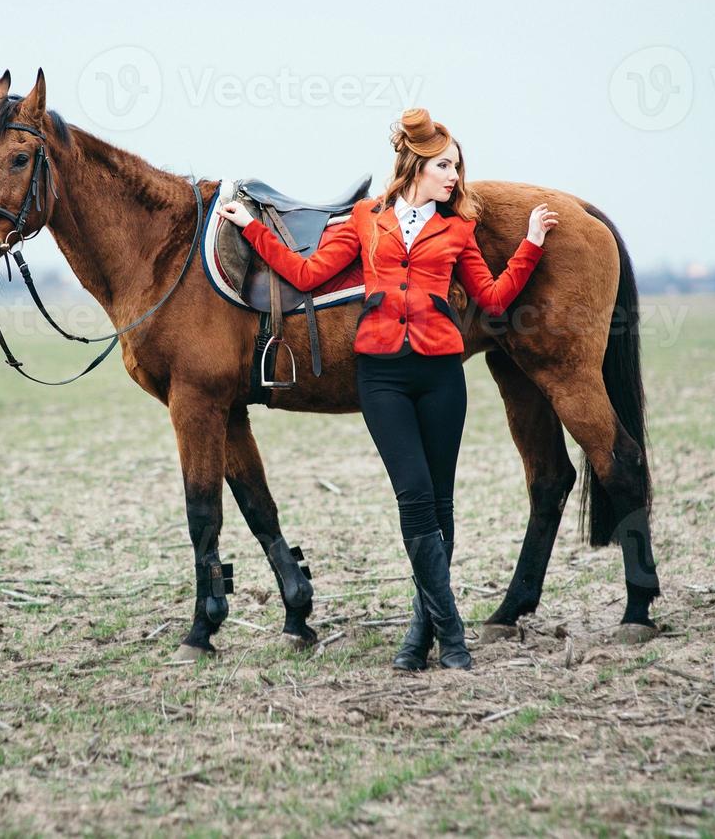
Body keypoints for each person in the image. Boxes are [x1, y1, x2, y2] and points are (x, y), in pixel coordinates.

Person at [217, 109, 558, 670]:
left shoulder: (457, 229)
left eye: (457, 167)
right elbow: (307, 275)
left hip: (441, 375)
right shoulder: (365, 220)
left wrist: (532, 243)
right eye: (446, 166)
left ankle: (420, 638)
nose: (455, 177)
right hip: (380, 376)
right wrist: (251, 228)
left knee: (440, 504)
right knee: (414, 501)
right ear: (417, 166)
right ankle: (451, 639)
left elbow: (493, 300)